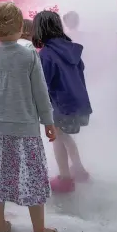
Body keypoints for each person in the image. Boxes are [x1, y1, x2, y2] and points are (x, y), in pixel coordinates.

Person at [0, 2, 60, 232]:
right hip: (25, 130)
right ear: (21, 26)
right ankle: (40, 231)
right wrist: (48, 120)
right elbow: (40, 92)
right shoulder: (29, 53)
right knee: (32, 177)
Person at [33, 10, 92, 193]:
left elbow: (44, 83)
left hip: (60, 105)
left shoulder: (47, 54)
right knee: (64, 137)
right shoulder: (71, 49)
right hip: (77, 103)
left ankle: (66, 177)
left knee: (59, 138)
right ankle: (78, 170)